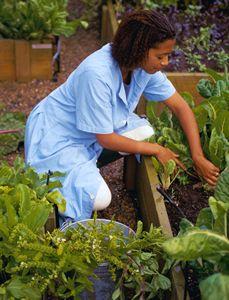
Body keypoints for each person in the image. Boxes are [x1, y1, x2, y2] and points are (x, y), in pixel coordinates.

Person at [25, 9, 219, 224]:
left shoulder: (142, 68)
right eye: (160, 56)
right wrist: (158, 149)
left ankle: (86, 167)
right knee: (100, 199)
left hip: (92, 132)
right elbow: (105, 138)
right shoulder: (96, 74)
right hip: (58, 134)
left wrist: (198, 156)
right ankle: (64, 181)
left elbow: (181, 107)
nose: (165, 62)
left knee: (146, 132)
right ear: (138, 49)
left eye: (168, 55)